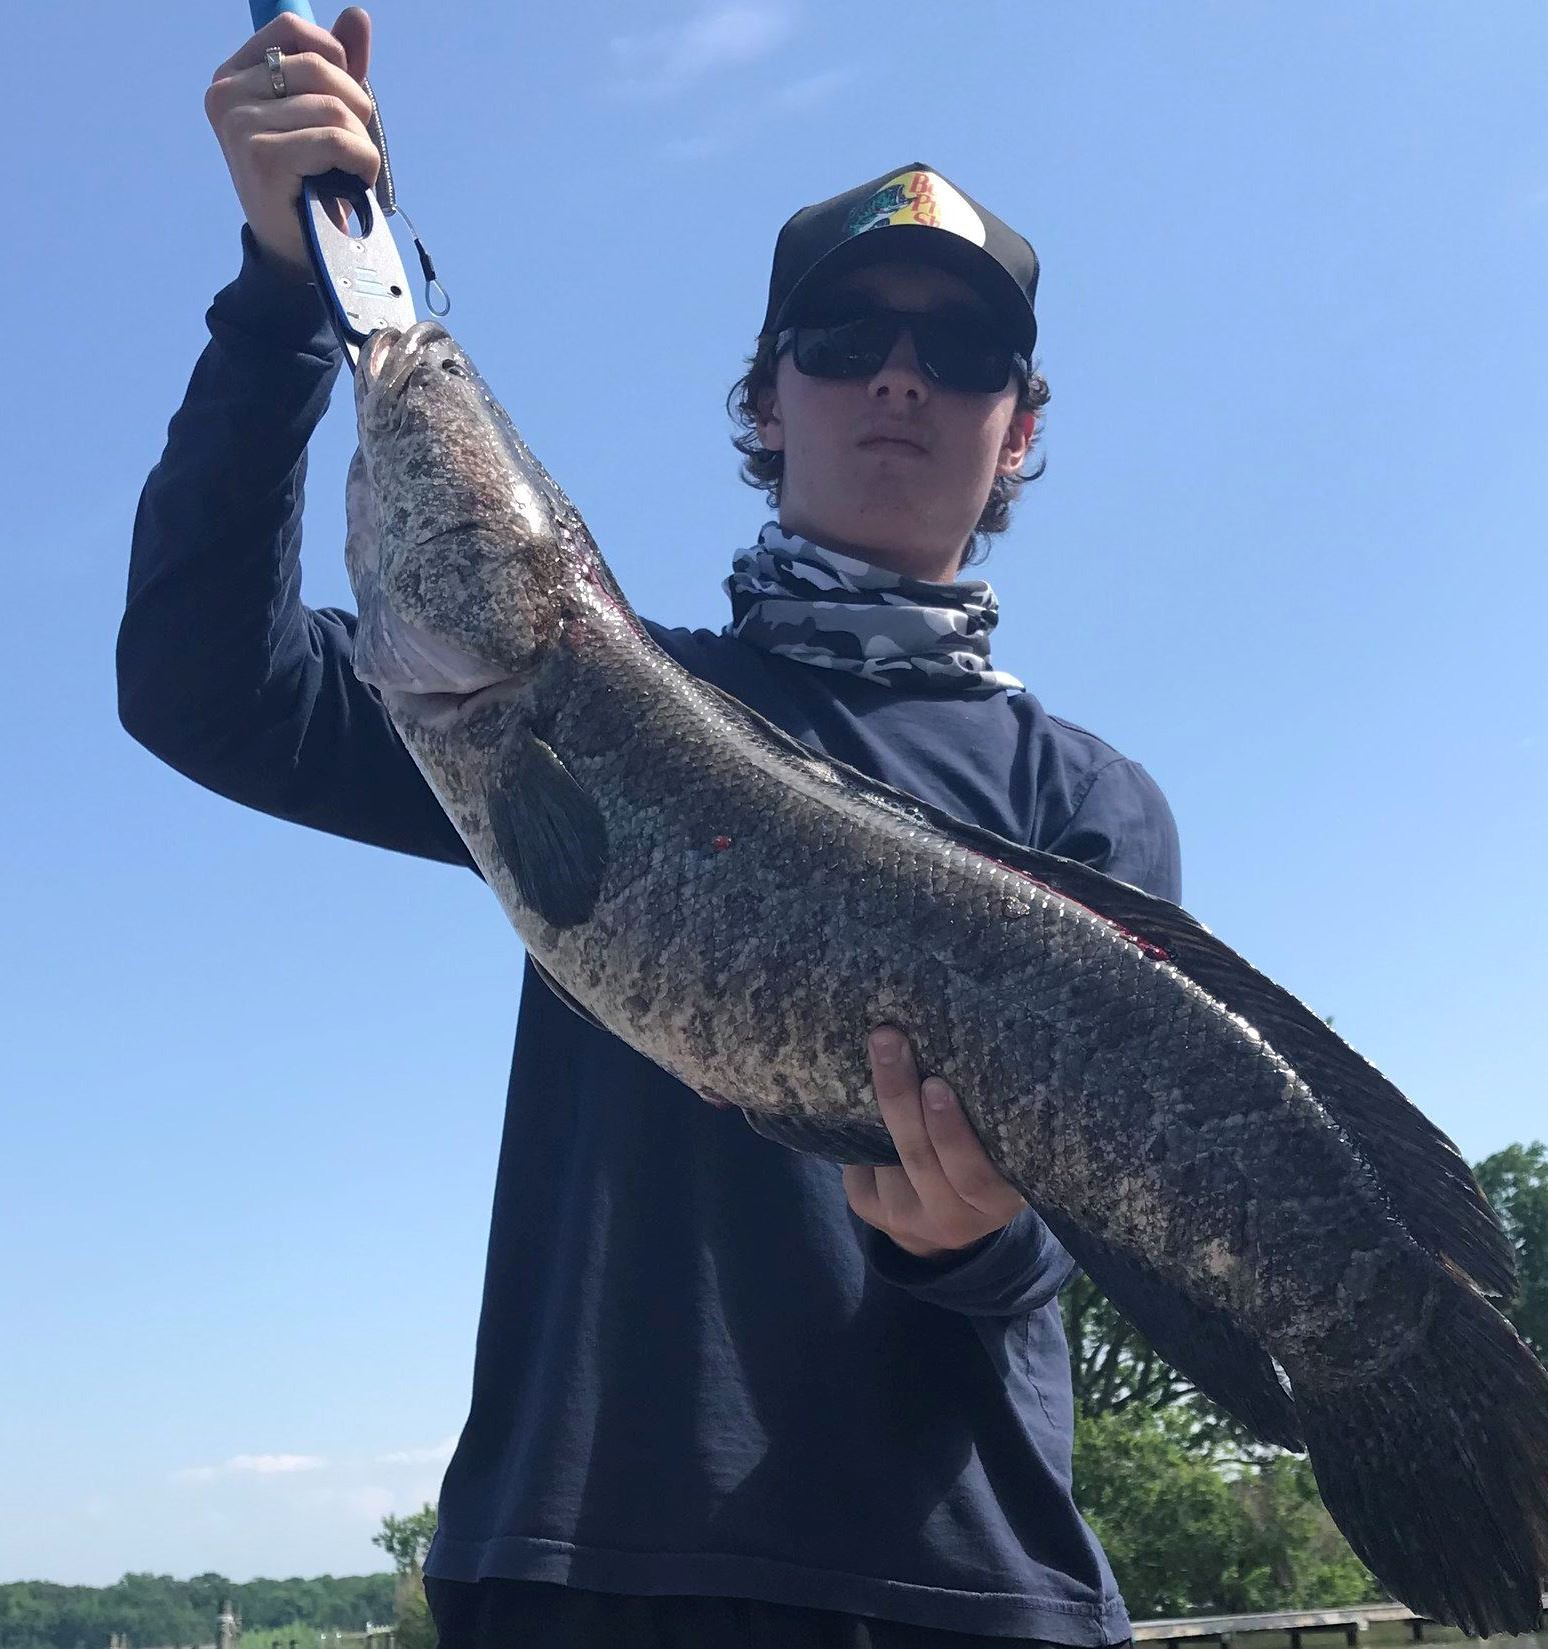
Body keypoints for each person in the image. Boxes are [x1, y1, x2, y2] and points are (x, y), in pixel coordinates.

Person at [121, 9, 1179, 1646]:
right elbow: (205, 687)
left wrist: (970, 1242)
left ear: (1017, 426)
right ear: (766, 398)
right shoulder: (549, 703)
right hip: (577, 1569)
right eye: (843, 336)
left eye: (961, 352)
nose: (900, 372)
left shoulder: (1085, 806)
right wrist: (278, 306)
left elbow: (1082, 1241)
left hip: (962, 1590)